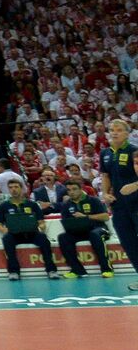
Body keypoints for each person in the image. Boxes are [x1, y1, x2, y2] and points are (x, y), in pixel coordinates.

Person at [98, 119, 138, 290]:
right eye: (111, 129)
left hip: (136, 203)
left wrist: (135, 185)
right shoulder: (105, 153)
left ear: (127, 133)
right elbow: (105, 176)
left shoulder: (134, 151)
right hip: (119, 206)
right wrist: (105, 193)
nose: (114, 132)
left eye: (119, 129)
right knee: (128, 242)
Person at [0, 179, 57, 281]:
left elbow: (41, 221)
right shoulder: (4, 206)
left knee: (43, 239)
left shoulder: (32, 204)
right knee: (7, 240)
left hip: (32, 233)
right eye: (11, 188)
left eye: (16, 187)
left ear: (22, 188)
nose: (13, 190)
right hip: (14, 234)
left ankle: (51, 270)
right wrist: (5, 230)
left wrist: (41, 227)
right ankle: (14, 271)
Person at [57, 180, 113, 279]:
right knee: (63, 237)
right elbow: (65, 222)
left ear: (81, 189)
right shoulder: (66, 205)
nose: (71, 192)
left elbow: (105, 217)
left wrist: (86, 217)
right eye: (69, 190)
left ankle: (107, 269)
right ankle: (77, 270)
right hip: (79, 231)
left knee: (95, 235)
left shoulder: (93, 200)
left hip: (99, 229)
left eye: (74, 189)